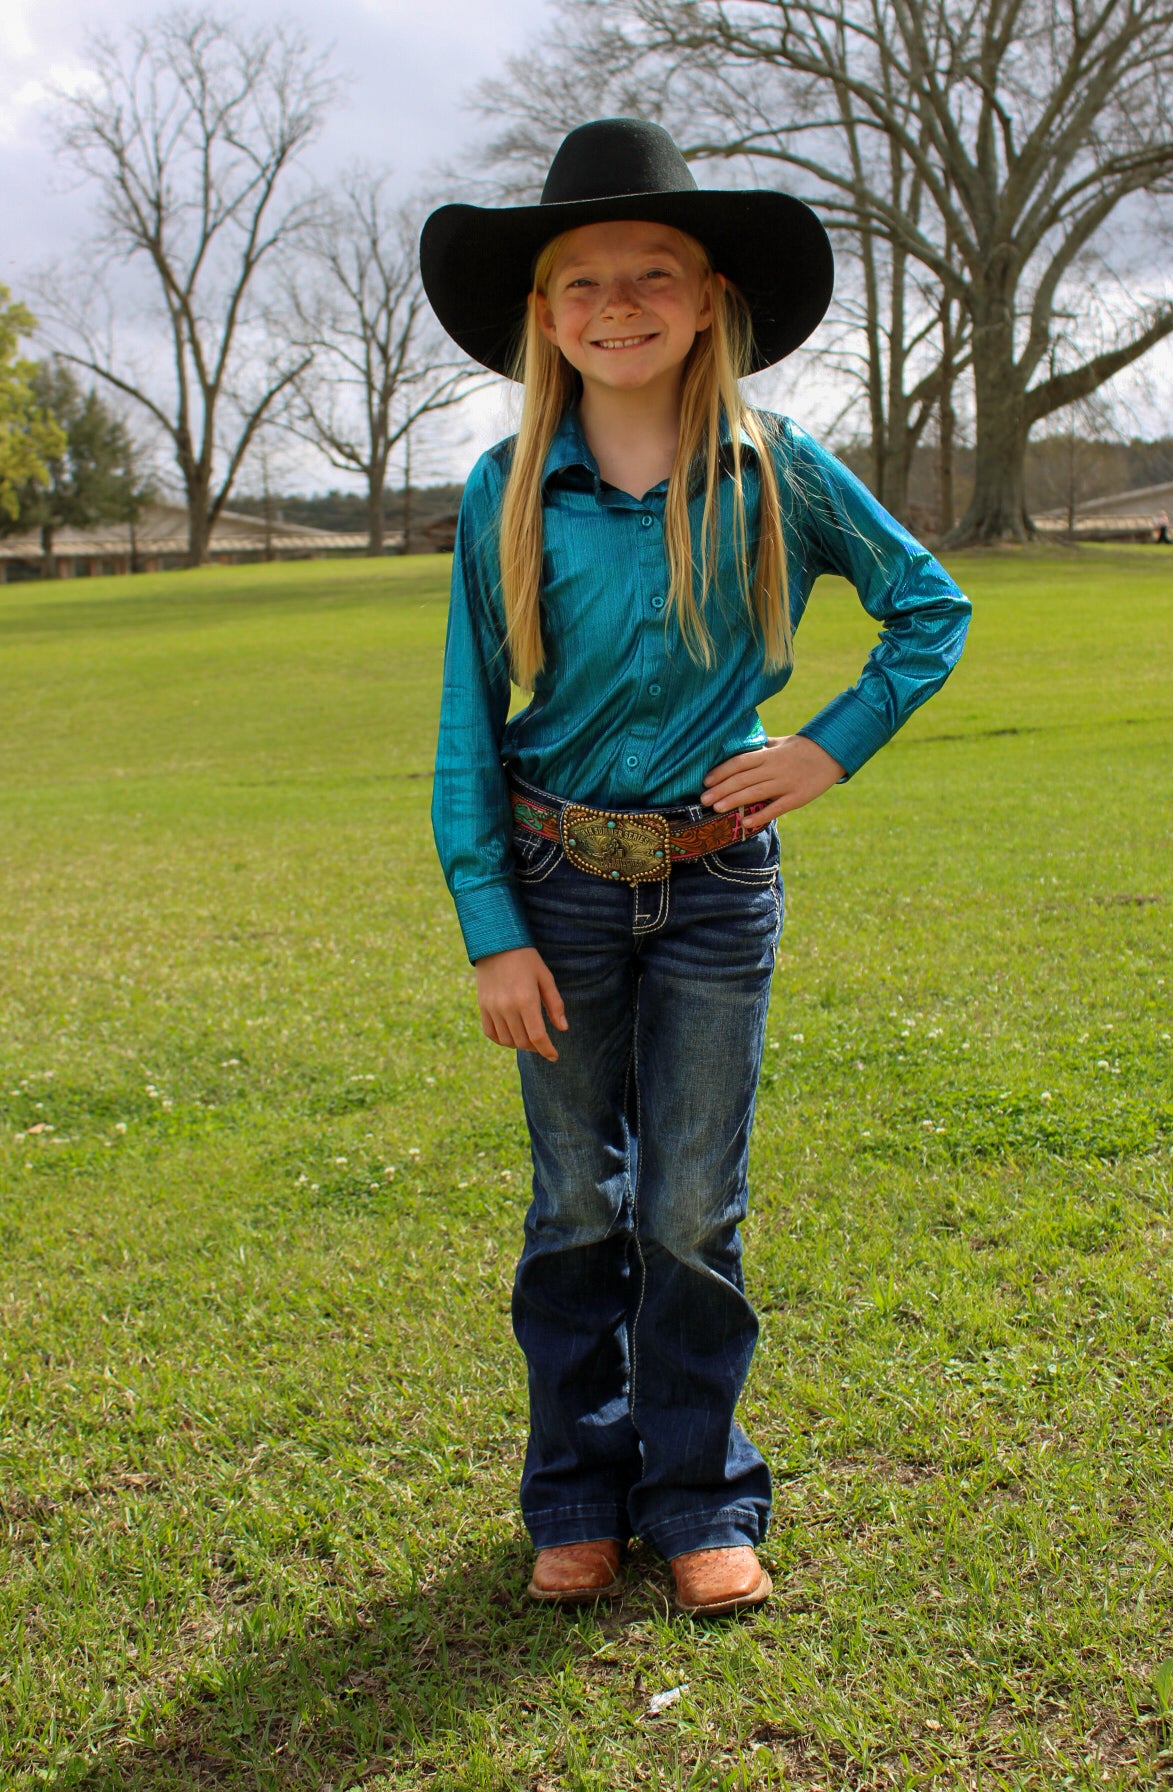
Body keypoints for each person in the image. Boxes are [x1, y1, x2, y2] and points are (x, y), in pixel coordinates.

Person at [420, 118, 971, 1618]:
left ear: (710, 296)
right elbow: (470, 729)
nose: (618, 303)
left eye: (652, 273)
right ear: (543, 315)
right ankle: (578, 1494)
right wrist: (490, 927)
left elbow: (931, 609)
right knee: (575, 1210)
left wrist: (830, 745)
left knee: (686, 1210)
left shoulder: (776, 469)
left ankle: (700, 1495)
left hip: (720, 894)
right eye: (584, 280)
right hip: (556, 894)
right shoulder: (504, 493)